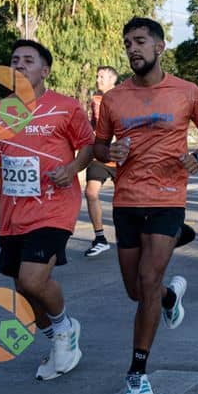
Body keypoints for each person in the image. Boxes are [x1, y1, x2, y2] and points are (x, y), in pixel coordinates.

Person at [92, 17, 198, 394]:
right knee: (137, 291)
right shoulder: (114, 99)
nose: (132, 48)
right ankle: (169, 297)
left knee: (147, 280)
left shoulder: (186, 91)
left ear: (160, 47)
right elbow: (98, 146)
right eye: (127, 43)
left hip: (168, 197)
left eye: (140, 41)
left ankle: (137, 373)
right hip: (127, 200)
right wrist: (110, 151)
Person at [0, 39, 94, 381]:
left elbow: (87, 146)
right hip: (13, 213)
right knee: (23, 291)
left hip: (55, 206)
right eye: (14, 60)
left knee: (32, 278)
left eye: (28, 60)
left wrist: (71, 169)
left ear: (45, 70)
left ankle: (65, 329)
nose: (19, 65)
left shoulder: (65, 107)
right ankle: (58, 340)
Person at [83, 65, 118, 258]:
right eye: (97, 76)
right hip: (100, 155)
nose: (98, 80)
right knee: (91, 192)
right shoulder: (95, 100)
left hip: (121, 157)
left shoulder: (124, 98)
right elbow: (93, 124)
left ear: (113, 80)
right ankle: (100, 238)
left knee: (126, 200)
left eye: (102, 77)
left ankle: (136, 234)